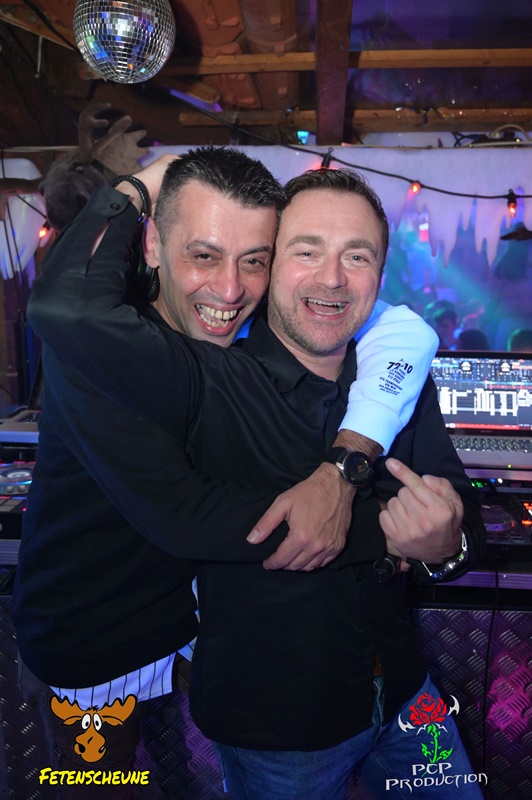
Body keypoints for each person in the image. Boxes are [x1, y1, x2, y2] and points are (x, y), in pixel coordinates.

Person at [22, 155, 485, 799]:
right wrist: (141, 183)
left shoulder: (390, 366)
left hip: (401, 691)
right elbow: (187, 516)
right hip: (117, 649)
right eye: (306, 250)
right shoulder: (193, 373)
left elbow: (459, 510)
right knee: (96, 785)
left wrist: (445, 544)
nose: (230, 288)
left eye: (357, 256)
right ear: (154, 246)